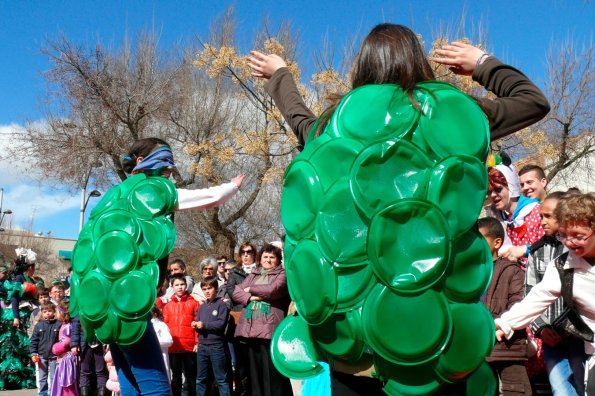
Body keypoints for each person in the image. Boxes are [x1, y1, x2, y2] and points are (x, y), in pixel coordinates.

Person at [248, 23, 550, 394]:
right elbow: (533, 101)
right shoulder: (451, 116)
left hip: (354, 347)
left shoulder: (335, 126)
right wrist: (482, 63)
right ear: (417, 62)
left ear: (362, 67)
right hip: (431, 342)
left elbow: (301, 121)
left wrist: (280, 76)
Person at [94, 137, 245, 396]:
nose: (169, 172)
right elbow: (209, 197)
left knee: (129, 380)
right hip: (129, 306)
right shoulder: (148, 192)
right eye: (165, 163)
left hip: (104, 307)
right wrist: (231, 187)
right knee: (156, 386)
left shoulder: (113, 196)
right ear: (141, 162)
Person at [495, 192, 595, 395]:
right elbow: (536, 298)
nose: (570, 242)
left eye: (578, 236)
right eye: (564, 235)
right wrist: (505, 324)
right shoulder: (562, 266)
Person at [526, 191, 586, 394]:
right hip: (551, 337)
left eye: (548, 216)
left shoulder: (578, 249)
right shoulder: (537, 251)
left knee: (584, 386)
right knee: (560, 390)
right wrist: (541, 328)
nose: (542, 221)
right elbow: (530, 293)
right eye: (541, 216)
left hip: (581, 337)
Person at [478, 217, 531, 395]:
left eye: (480, 238)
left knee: (515, 389)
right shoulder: (468, 273)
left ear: (497, 242)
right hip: (476, 347)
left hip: (506, 346)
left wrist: (497, 325)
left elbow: (518, 305)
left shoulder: (511, 270)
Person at [232, 243, 293, 396]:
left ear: (278, 260)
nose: (268, 260)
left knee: (271, 372)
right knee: (254, 371)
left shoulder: (282, 274)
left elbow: (273, 290)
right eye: (265, 256)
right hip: (250, 329)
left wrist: (250, 289)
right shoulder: (254, 273)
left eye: (272, 257)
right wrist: (252, 297)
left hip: (269, 329)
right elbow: (236, 292)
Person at [488, 160, 545, 262]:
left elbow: (553, 248)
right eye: (489, 192)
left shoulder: (538, 211)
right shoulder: (499, 217)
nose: (492, 195)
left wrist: (526, 250)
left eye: (498, 189)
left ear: (511, 188)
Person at [193, 276, 231, 396]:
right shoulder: (202, 307)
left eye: (209, 288)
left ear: (216, 289)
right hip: (202, 346)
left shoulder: (221, 305)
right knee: (200, 379)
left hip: (216, 346)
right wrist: (195, 325)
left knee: (221, 379)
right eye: (204, 289)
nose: (207, 291)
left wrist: (203, 325)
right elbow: (199, 324)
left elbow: (220, 324)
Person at [163, 273, 200, 396]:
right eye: (177, 285)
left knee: (191, 377)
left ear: (186, 285)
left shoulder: (194, 303)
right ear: (172, 287)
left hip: (189, 347)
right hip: (174, 346)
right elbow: (165, 327)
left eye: (182, 284)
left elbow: (197, 325)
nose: (180, 287)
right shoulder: (167, 306)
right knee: (176, 378)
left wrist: (197, 342)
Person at [71, 313, 109, 396]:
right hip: (85, 345)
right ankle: (85, 393)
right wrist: (74, 344)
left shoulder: (101, 308)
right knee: (85, 371)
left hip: (100, 343)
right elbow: (75, 329)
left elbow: (107, 325)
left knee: (101, 371)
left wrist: (108, 340)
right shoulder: (80, 310)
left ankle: (102, 393)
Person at [30, 303, 61, 396]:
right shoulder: (39, 325)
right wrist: (33, 353)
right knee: (42, 377)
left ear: (54, 312)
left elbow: (61, 340)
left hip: (54, 356)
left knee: (53, 376)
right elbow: (34, 340)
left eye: (50, 311)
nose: (47, 313)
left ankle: (53, 392)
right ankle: (43, 393)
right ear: (42, 313)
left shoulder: (58, 324)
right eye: (45, 312)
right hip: (41, 355)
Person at [50, 301, 78, 396]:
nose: (55, 314)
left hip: (67, 358)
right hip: (62, 358)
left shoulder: (68, 326)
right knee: (61, 380)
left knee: (67, 381)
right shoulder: (63, 325)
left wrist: (56, 348)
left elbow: (67, 340)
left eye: (57, 312)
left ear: (63, 313)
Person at [151, 306, 173, 380]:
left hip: (160, 357)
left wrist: (154, 341)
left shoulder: (161, 325)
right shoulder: (144, 325)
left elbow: (169, 341)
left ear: (155, 314)